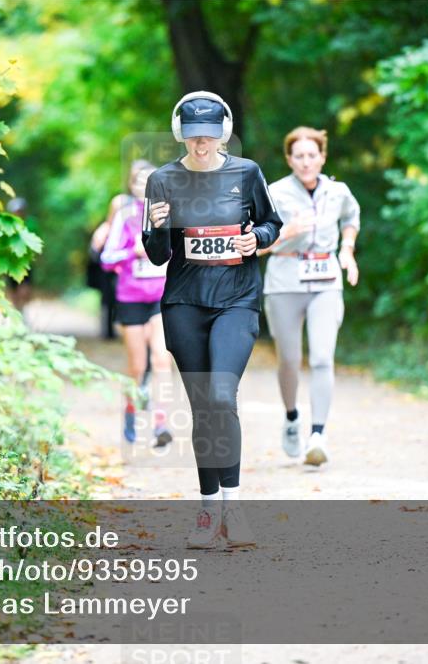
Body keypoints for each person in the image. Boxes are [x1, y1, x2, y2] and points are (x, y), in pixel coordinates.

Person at [143, 91, 282, 549]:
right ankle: (207, 510)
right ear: (180, 135)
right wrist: (158, 227)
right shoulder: (162, 181)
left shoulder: (247, 173)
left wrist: (255, 240)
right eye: (192, 137)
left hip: (236, 300)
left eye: (208, 137)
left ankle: (234, 508)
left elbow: (270, 224)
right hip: (184, 302)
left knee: (222, 395)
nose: (200, 145)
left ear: (222, 133)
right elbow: (158, 256)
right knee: (203, 405)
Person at [258, 127, 360, 467]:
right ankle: (291, 418)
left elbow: (351, 218)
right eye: (298, 156)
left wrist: (347, 250)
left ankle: (318, 435)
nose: (306, 162)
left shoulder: (338, 191)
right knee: (289, 360)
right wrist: (287, 232)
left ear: (323, 157)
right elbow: (254, 245)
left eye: (312, 155)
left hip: (326, 281)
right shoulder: (273, 193)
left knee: (321, 357)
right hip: (284, 280)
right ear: (289, 159)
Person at [99, 163, 174, 447]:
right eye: (138, 182)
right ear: (131, 186)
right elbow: (106, 258)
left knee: (161, 359)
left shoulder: (169, 214)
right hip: (131, 298)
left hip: (160, 297)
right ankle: (130, 412)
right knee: (137, 367)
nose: (144, 187)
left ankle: (160, 424)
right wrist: (134, 252)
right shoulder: (125, 215)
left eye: (150, 182)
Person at [88, 160, 155, 340]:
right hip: (125, 263)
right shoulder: (121, 204)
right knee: (110, 292)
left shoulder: (163, 207)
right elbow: (111, 226)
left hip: (157, 283)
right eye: (137, 177)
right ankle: (108, 329)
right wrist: (102, 233)